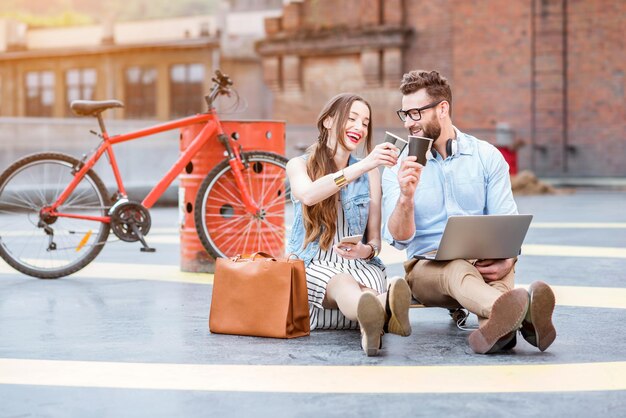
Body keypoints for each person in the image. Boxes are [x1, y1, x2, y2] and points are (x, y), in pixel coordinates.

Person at [382, 70, 557, 354]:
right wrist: (406, 196)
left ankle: (495, 330)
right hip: (428, 270)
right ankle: (525, 313)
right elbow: (399, 239)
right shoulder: (396, 167)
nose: (409, 123)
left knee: (496, 267)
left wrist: (508, 259)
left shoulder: (486, 156)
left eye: (416, 113)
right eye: (405, 115)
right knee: (458, 269)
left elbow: (507, 224)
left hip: (487, 263)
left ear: (442, 109)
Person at [286, 93, 412, 356]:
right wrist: (365, 164)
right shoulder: (298, 165)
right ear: (329, 122)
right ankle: (387, 309)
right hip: (314, 267)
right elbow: (308, 194)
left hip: (359, 265)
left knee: (362, 284)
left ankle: (371, 326)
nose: (359, 128)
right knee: (343, 281)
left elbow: (374, 241)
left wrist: (365, 251)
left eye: (365, 123)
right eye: (352, 118)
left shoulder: (371, 174)